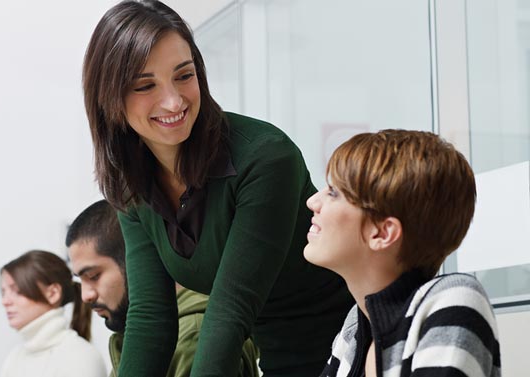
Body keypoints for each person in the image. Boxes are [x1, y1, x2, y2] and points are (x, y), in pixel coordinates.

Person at [82, 3, 354, 376]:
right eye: (146, 85)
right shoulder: (131, 182)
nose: (174, 101)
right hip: (270, 350)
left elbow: (230, 311)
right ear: (108, 99)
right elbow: (150, 317)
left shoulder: (264, 157)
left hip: (346, 346)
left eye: (184, 75)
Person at [304, 130, 501, 377]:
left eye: (334, 193)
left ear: (383, 233)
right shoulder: (356, 325)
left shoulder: (452, 301)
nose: (313, 201)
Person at [65, 200, 260, 377]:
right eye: (80, 280)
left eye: (93, 276)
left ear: (136, 260)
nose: (85, 295)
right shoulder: (132, 341)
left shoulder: (193, 339)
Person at [0, 250, 106, 377]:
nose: (5, 301)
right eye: (4, 292)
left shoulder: (81, 357)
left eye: (16, 290)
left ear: (53, 293)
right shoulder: (14, 358)